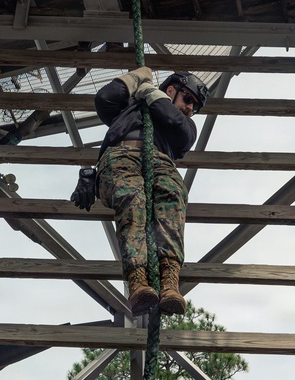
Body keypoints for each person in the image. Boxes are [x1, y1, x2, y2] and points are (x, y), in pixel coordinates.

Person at [70, 66, 210, 315]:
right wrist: (135, 79)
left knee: (172, 198)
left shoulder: (186, 128)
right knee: (132, 200)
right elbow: (105, 99)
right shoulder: (129, 110)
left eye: (195, 107)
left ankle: (169, 282)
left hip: (160, 161)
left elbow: (172, 120)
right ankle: (137, 282)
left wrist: (153, 96)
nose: (190, 108)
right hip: (121, 156)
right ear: (171, 89)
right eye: (188, 99)